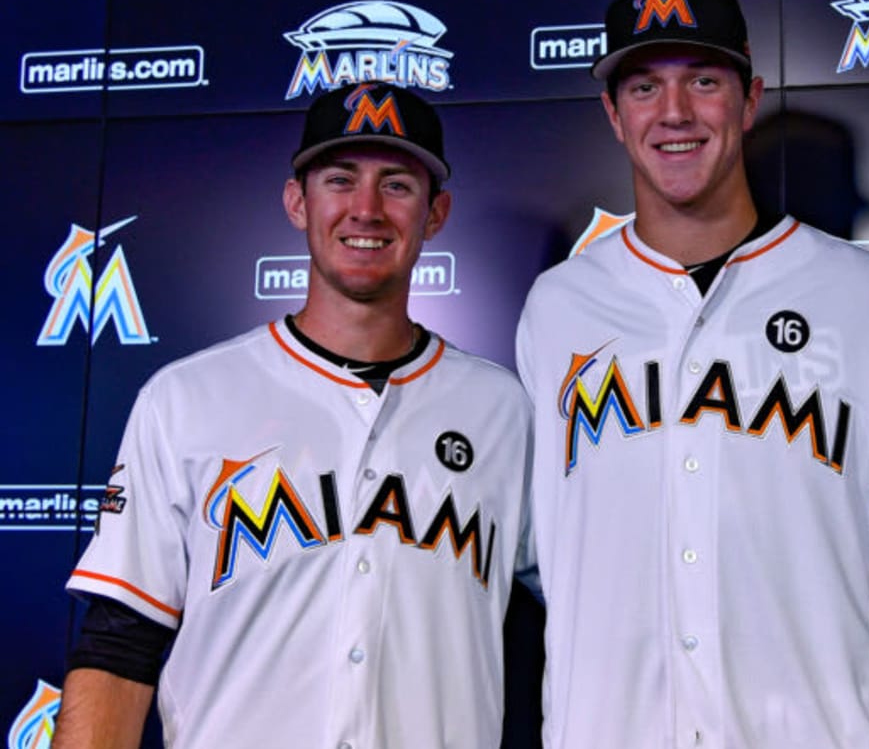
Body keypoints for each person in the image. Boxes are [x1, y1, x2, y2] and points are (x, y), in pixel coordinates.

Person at [53, 82, 532, 749]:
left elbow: (567, 621)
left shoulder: (503, 410)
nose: (366, 209)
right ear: (296, 202)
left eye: (397, 185)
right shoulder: (186, 397)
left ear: (436, 213)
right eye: (340, 180)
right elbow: (119, 646)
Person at [514, 0, 869, 748]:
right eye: (644, 86)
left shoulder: (866, 298)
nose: (674, 112)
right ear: (612, 113)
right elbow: (547, 554)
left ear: (748, 98)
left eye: (703, 81)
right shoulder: (558, 306)